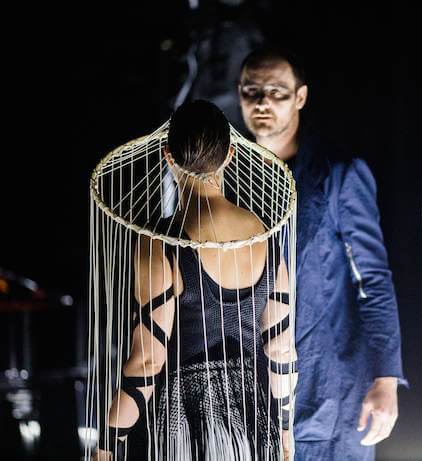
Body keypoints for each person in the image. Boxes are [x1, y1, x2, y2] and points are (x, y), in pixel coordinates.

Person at [94, 100, 296, 460]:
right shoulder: (264, 236)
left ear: (168, 157)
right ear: (230, 155)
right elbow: (281, 350)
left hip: (185, 427)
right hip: (254, 418)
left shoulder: (161, 244)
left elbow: (147, 362)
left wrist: (107, 445)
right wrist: (282, 428)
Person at [237, 47, 406, 460]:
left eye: (276, 91)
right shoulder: (230, 181)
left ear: (300, 96)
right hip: (249, 391)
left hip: (332, 386)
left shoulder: (339, 174)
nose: (262, 102)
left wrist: (386, 377)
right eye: (251, 90)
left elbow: (373, 278)